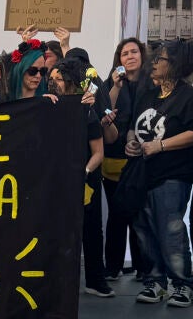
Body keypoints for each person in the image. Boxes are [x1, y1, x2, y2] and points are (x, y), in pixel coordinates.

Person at [128, 39, 193, 308]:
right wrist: (131, 141)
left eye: (160, 59)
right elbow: (133, 125)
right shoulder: (148, 94)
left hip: (173, 174)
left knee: (171, 230)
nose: (154, 63)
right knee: (143, 228)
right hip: (142, 172)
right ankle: (155, 281)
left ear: (174, 64)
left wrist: (160, 145)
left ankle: (182, 284)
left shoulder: (191, 97)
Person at [53, 57, 109, 297]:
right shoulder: (49, 107)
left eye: (58, 79)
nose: (53, 83)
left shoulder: (87, 111)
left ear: (69, 82)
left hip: (85, 182)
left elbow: (98, 153)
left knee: (91, 230)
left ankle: (96, 280)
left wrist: (83, 173)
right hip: (59, 183)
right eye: (52, 79)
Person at [100, 37, 150, 280]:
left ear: (142, 55)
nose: (130, 57)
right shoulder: (111, 83)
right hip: (114, 158)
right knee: (117, 215)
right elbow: (104, 111)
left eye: (134, 52)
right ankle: (113, 267)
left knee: (140, 215)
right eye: (125, 53)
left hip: (143, 158)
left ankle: (143, 267)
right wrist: (116, 86)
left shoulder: (151, 83)